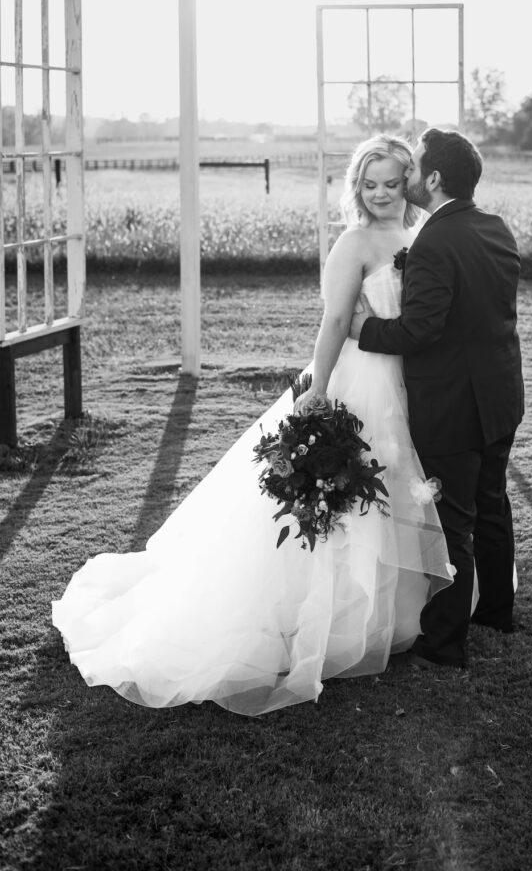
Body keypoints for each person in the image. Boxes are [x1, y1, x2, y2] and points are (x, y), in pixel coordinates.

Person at [52, 134, 453, 717]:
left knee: (392, 491)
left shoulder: (419, 236)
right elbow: (336, 318)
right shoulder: (354, 242)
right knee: (343, 497)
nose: (382, 194)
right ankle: (321, 619)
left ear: (410, 182)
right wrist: (317, 390)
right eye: (370, 185)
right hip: (358, 378)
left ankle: (391, 612)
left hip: (408, 379)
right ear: (356, 188)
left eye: (393, 183)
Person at [350, 128, 524, 669]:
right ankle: (496, 609)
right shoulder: (495, 228)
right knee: (492, 503)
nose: (405, 178)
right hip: (500, 396)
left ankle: (444, 642)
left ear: (433, 179)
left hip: (453, 406)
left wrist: (363, 329)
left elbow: (418, 330)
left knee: (454, 520)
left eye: (414, 167)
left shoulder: (432, 241)